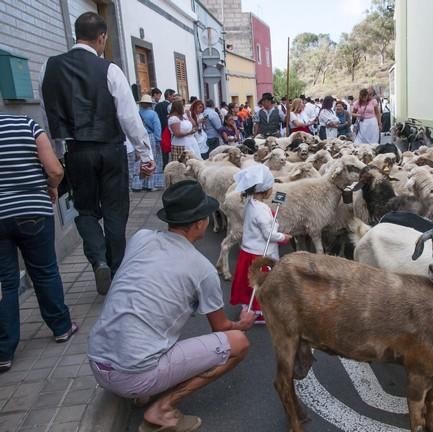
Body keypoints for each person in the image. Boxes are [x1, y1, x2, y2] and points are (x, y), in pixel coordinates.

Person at [87, 180, 255, 431]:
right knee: (238, 343)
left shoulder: (141, 237)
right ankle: (162, 409)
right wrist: (242, 323)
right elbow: (220, 328)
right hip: (131, 373)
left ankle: (141, 388)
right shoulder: (202, 269)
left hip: (97, 360)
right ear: (200, 223)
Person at [41, 12, 154, 294]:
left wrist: (54, 156)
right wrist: (145, 155)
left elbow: (48, 117)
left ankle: (99, 259)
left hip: (76, 151)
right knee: (115, 212)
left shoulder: (50, 67)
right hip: (111, 150)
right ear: (102, 37)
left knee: (86, 210)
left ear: (75, 35)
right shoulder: (110, 69)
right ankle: (116, 269)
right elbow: (129, 118)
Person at [0, 113, 78, 374]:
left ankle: (4, 351)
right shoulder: (25, 125)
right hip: (33, 208)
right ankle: (61, 327)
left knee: (4, 282)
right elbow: (55, 169)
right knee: (44, 271)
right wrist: (51, 186)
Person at [230, 165, 291, 322]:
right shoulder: (261, 210)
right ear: (265, 190)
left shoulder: (251, 203)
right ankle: (258, 312)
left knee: (249, 282)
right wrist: (283, 237)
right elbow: (268, 234)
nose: (272, 190)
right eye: (271, 187)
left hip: (248, 250)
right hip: (260, 253)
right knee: (262, 282)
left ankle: (248, 306)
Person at [138, 94, 164, 190]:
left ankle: (140, 184)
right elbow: (157, 128)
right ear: (150, 104)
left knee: (143, 159)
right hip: (151, 137)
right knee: (154, 159)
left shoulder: (138, 113)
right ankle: (151, 184)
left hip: (140, 138)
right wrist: (158, 140)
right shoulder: (153, 114)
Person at [156, 89, 176, 167]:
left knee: (164, 150)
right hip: (169, 129)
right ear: (168, 95)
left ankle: (165, 165)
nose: (174, 98)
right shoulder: (171, 106)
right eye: (173, 96)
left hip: (161, 129)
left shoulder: (158, 105)